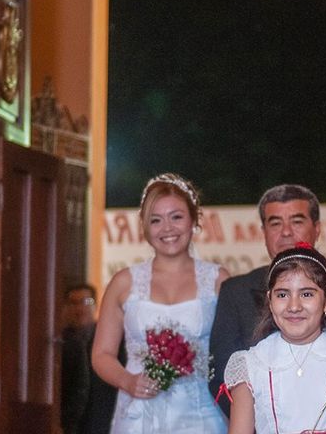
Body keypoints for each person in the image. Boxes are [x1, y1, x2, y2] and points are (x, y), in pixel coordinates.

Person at [210, 184, 326, 416]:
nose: (286, 232)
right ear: (264, 231)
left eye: (297, 221)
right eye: (275, 223)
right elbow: (221, 375)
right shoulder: (235, 291)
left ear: (317, 228)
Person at [92, 173, 230, 433]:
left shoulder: (218, 280)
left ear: (193, 220)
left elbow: (233, 355)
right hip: (140, 413)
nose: (167, 228)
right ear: (145, 227)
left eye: (176, 217)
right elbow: (101, 354)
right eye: (156, 220)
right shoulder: (124, 282)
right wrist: (128, 381)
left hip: (201, 414)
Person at [222, 243, 326, 434]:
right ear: (270, 301)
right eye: (283, 294)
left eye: (307, 294)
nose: (294, 306)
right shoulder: (251, 364)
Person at [61, 284, 125, 434]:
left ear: (96, 305)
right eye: (73, 303)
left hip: (103, 421)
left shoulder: (113, 340)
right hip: (69, 425)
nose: (80, 308)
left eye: (86, 302)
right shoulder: (59, 342)